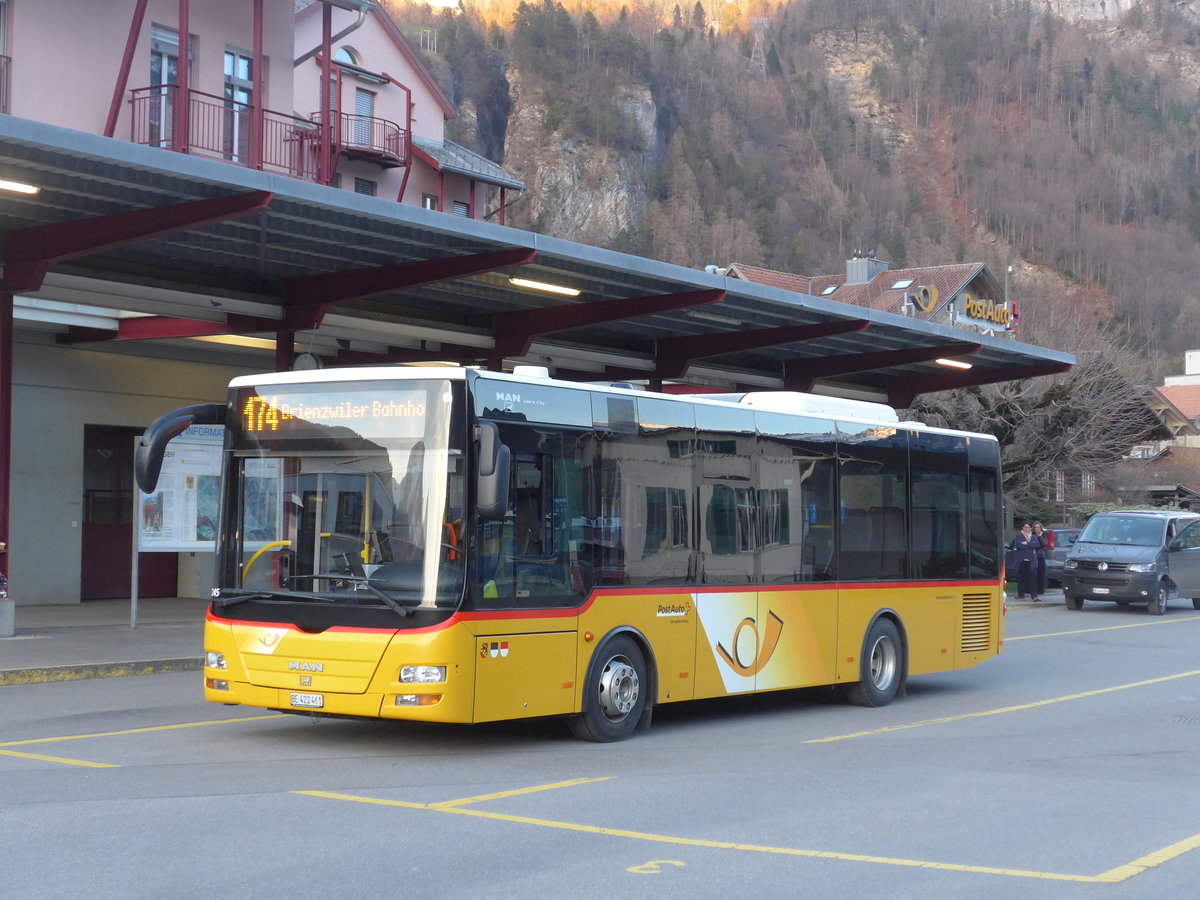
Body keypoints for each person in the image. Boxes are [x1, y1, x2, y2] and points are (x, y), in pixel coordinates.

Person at [1010, 521, 1040, 601]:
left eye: (1029, 527)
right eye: (1026, 527)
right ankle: (1021, 595)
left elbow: (1037, 545)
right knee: (1021, 578)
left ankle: (1034, 596)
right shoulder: (1019, 536)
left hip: (1031, 560)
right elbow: (1018, 545)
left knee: (1033, 578)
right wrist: (1029, 544)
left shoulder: (1033, 536)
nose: (1027, 529)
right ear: (1023, 528)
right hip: (1022, 560)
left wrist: (1026, 543)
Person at [1031, 521, 1051, 598]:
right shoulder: (1032, 535)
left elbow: (1044, 544)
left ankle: (1040, 590)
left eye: (1038, 527)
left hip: (1040, 555)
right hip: (1033, 555)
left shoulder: (1043, 535)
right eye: (1035, 527)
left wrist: (1040, 537)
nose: (1037, 529)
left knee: (1041, 573)